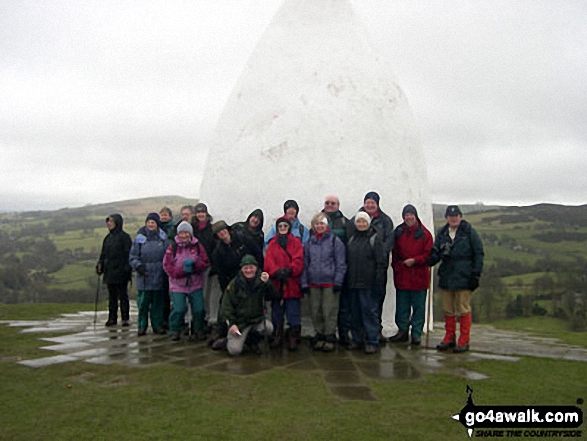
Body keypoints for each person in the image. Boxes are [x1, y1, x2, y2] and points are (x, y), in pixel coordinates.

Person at [427, 205, 484, 353]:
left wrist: (475, 274)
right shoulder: (443, 232)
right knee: (448, 309)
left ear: (460, 216)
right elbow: (436, 251)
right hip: (447, 275)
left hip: (464, 275)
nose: (453, 218)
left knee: (463, 308)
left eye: (456, 216)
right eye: (451, 216)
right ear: (447, 218)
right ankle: (449, 337)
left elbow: (479, 253)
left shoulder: (469, 232)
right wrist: (431, 259)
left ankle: (464, 340)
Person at [208, 220, 263, 348]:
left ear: (228, 230)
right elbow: (220, 272)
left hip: (251, 278)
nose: (222, 233)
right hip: (233, 281)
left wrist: (259, 274)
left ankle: (252, 337)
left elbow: (258, 254)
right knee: (226, 305)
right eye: (219, 233)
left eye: (223, 230)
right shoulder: (218, 252)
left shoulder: (243, 239)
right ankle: (222, 333)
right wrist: (226, 288)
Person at [348, 191, 394, 337]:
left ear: (377, 204)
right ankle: (359, 336)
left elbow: (389, 241)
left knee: (374, 304)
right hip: (355, 275)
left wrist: (379, 253)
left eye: (372, 202)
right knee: (357, 308)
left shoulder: (385, 220)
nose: (369, 205)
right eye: (367, 202)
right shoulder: (354, 221)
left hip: (375, 270)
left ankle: (374, 335)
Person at [301, 212, 347, 352]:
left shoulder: (335, 241)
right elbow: (304, 264)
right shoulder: (309, 243)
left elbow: (341, 263)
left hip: (330, 283)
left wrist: (338, 281)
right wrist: (304, 283)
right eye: (317, 224)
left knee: (329, 311)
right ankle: (319, 335)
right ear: (314, 226)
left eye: (322, 223)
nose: (320, 226)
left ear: (327, 226)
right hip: (313, 282)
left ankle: (329, 337)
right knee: (316, 312)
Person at [389, 204, 433, 346]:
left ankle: (416, 334)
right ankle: (402, 331)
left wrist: (415, 260)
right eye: (406, 215)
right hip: (402, 275)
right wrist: (396, 267)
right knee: (402, 306)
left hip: (418, 276)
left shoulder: (425, 234)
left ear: (416, 215)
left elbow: (429, 255)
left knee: (418, 307)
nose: (408, 217)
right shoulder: (399, 232)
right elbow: (394, 252)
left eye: (410, 214)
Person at [346, 212, 387, 354]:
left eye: (364, 222)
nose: (361, 224)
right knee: (355, 313)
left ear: (368, 223)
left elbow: (381, 263)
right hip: (353, 283)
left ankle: (372, 341)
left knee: (369, 313)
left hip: (368, 283)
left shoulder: (375, 239)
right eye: (359, 222)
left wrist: (378, 281)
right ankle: (357, 339)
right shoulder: (352, 239)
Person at [221, 255, 278, 356]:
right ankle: (226, 342)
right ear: (242, 269)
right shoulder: (235, 284)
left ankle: (252, 341)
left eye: (251, 267)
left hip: (257, 320)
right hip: (240, 323)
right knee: (235, 351)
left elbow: (273, 296)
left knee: (269, 328)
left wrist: (268, 283)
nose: (249, 270)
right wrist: (232, 324)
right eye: (246, 268)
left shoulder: (262, 280)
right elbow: (226, 306)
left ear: (256, 268)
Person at [163, 221, 210, 341]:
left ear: (191, 233)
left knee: (199, 309)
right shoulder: (172, 247)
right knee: (179, 309)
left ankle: (198, 330)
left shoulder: (198, 246)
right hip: (177, 284)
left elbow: (205, 262)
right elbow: (167, 265)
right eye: (181, 233)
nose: (184, 236)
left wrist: (195, 265)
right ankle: (174, 330)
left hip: (195, 283)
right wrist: (180, 271)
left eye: (186, 233)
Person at [264, 217, 304, 350]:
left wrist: (289, 270)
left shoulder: (296, 242)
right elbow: (268, 261)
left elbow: (299, 258)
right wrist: (276, 272)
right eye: (280, 226)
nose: (282, 229)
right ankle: (278, 335)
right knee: (277, 313)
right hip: (277, 284)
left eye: (285, 226)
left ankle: (293, 337)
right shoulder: (272, 244)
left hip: (291, 282)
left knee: (293, 312)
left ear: (289, 228)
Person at [129, 213, 169, 336]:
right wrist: (138, 266)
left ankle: (157, 326)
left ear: (157, 224)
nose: (151, 224)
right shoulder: (139, 239)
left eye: (153, 222)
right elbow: (133, 256)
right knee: (143, 304)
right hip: (144, 275)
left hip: (159, 274)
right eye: (149, 222)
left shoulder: (163, 238)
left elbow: (168, 255)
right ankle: (142, 326)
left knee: (157, 304)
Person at [321, 195, 352, 346]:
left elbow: (350, 243)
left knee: (343, 305)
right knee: (325, 306)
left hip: (340, 268)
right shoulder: (318, 220)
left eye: (333, 203)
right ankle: (326, 335)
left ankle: (344, 334)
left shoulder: (345, 222)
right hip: (323, 270)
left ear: (338, 205)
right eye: (327, 203)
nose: (330, 205)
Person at [96, 214, 132, 327]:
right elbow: (103, 254)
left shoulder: (125, 237)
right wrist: (99, 264)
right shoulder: (107, 238)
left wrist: (127, 269)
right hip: (110, 271)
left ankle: (125, 318)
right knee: (112, 297)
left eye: (111, 221)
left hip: (122, 271)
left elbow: (129, 254)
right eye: (108, 221)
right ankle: (112, 318)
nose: (109, 224)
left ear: (117, 222)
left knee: (123, 296)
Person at [191, 202, 218, 332]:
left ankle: (207, 319)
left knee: (207, 294)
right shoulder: (192, 229)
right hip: (194, 267)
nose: (201, 215)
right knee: (195, 294)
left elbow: (215, 248)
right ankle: (194, 319)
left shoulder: (212, 229)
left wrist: (213, 264)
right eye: (198, 212)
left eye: (203, 212)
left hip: (207, 266)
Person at [159, 206, 175, 330]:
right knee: (163, 294)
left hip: (172, 264)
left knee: (173, 294)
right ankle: (164, 319)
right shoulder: (157, 229)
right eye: (162, 215)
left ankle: (172, 320)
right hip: (160, 266)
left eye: (165, 215)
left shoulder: (173, 228)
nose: (163, 217)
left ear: (170, 216)